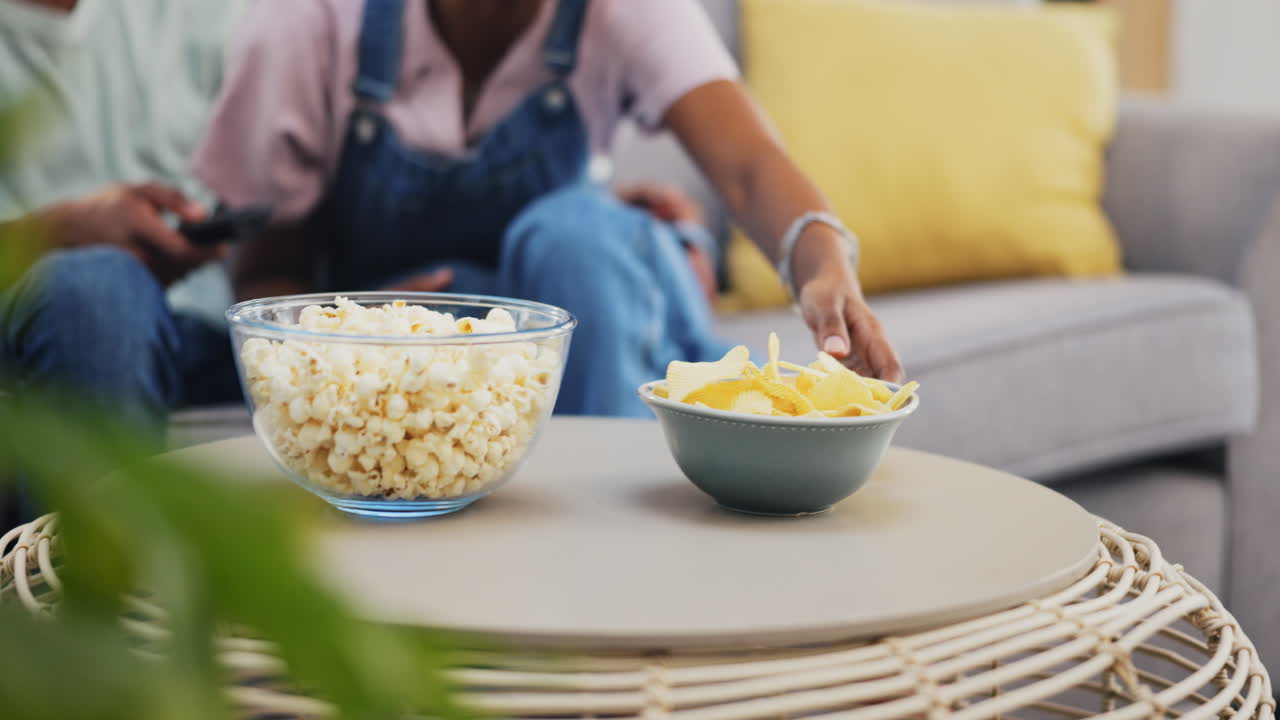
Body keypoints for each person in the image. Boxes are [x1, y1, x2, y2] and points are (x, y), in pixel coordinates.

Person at [194, 0, 903, 417]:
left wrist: (824, 264)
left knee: (579, 236)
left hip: (578, 318)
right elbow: (265, 275)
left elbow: (749, 169)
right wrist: (350, 335)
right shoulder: (306, 22)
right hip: (400, 366)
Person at [0, 0, 249, 440]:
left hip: (211, 336)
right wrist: (56, 234)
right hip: (50, 325)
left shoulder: (218, 15)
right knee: (96, 290)